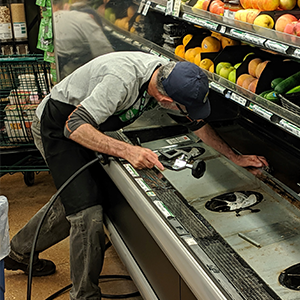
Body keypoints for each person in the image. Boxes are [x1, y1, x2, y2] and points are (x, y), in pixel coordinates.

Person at [4, 51, 268, 299]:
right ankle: (84, 295)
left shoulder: (168, 77)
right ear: (166, 102)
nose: (188, 115)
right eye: (183, 109)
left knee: (75, 196)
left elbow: (197, 124)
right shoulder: (121, 81)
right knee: (86, 211)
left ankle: (19, 251)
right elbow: (74, 126)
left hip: (87, 124)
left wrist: (233, 156)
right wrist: (129, 151)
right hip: (57, 125)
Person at [52, 0, 114, 79]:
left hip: (56, 72)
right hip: (72, 72)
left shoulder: (53, 19)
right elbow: (106, 54)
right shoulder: (84, 19)